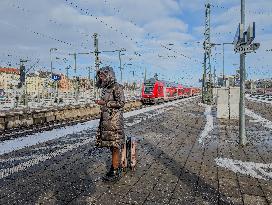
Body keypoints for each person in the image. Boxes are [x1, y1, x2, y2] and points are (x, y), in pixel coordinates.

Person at [95, 66, 125, 182]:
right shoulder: (105, 88)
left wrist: (105, 103)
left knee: (115, 145)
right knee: (111, 146)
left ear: (109, 75)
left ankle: (115, 169)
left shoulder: (116, 87)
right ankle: (115, 166)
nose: (100, 78)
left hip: (114, 121)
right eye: (99, 76)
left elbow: (121, 103)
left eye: (102, 75)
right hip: (107, 120)